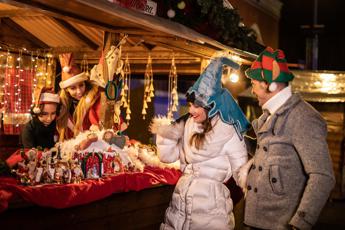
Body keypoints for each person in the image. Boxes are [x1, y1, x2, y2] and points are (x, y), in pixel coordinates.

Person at [151, 57, 250, 230]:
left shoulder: (228, 132)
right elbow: (166, 157)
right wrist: (167, 133)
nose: (190, 110)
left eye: (196, 106)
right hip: (180, 204)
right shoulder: (188, 125)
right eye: (190, 104)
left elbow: (242, 176)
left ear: (211, 106)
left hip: (211, 209)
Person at [241, 47, 335, 230]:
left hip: (279, 225)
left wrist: (301, 223)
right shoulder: (270, 116)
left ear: (270, 84)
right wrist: (236, 137)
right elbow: (268, 156)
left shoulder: (303, 117)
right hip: (256, 222)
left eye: (253, 83)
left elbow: (323, 176)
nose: (252, 90)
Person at [56, 53, 102, 141]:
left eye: (81, 85)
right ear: (66, 90)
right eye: (73, 88)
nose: (79, 91)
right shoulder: (61, 107)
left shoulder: (94, 100)